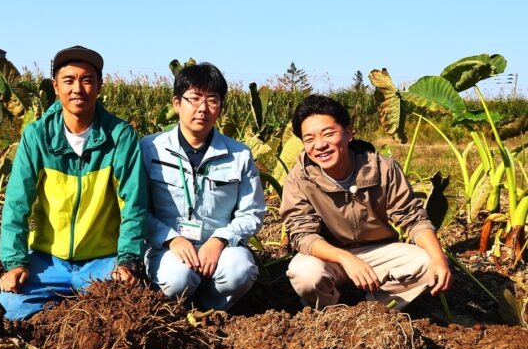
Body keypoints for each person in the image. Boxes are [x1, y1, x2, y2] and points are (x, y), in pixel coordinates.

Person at [0, 45, 147, 320]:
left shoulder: (120, 136)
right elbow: (17, 204)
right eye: (69, 80)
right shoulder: (37, 136)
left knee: (125, 309)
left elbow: (133, 205)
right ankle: (65, 315)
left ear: (99, 86)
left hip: (103, 260)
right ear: (55, 86)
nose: (78, 88)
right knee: (12, 305)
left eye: (87, 79)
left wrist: (127, 261)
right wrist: (15, 262)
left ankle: (73, 310)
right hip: (48, 259)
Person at [280, 94, 452, 309]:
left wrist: (439, 258)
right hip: (329, 256)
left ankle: (373, 311)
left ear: (349, 132)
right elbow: (302, 235)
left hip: (379, 252)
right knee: (305, 273)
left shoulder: (382, 168)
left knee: (427, 263)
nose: (320, 145)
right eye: (309, 139)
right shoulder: (299, 179)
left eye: (328, 133)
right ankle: (330, 313)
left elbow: (412, 217)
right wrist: (345, 258)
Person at [140, 62, 265, 310]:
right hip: (167, 248)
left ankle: (211, 311)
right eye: (194, 99)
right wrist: (171, 239)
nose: (202, 109)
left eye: (212, 100)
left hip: (219, 248)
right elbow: (137, 209)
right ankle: (177, 310)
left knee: (240, 270)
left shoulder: (238, 154)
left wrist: (220, 240)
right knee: (177, 279)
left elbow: (253, 212)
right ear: (177, 104)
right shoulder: (149, 149)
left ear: (220, 107)